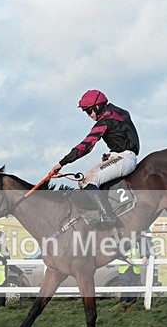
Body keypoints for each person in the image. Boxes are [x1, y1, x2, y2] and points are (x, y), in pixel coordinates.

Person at [50, 89, 140, 227]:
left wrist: (62, 163)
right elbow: (125, 137)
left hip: (125, 158)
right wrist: (112, 154)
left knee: (87, 181)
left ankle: (108, 217)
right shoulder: (120, 112)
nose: (88, 115)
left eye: (88, 111)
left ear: (97, 106)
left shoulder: (104, 121)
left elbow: (86, 145)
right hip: (124, 155)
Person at [118, 233, 151, 304]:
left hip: (135, 270)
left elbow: (147, 250)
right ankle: (123, 306)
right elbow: (117, 253)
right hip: (124, 271)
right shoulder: (121, 241)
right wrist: (125, 258)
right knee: (125, 291)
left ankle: (132, 306)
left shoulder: (139, 242)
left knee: (134, 291)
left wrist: (145, 256)